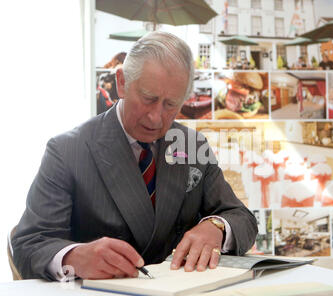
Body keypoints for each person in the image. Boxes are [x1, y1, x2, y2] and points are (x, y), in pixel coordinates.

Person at [12, 31, 258, 281]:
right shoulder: (67, 151)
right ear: (121, 82)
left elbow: (243, 219)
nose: (156, 118)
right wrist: (74, 257)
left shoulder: (192, 145)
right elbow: (29, 244)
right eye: (148, 99)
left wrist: (216, 227)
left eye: (171, 104)